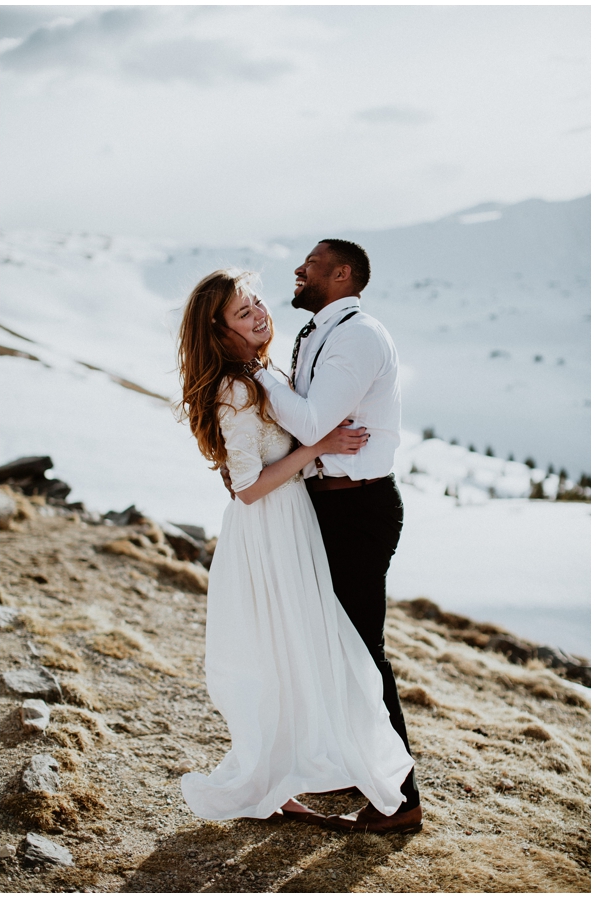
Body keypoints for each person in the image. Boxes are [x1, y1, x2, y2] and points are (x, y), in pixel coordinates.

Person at [175, 268, 414, 826]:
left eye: (256, 301)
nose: (259, 313)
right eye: (242, 312)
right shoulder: (236, 387)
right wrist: (320, 445)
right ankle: (275, 779)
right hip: (269, 528)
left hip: (292, 521)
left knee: (294, 653)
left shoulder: (258, 372)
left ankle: (292, 775)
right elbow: (247, 487)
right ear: (217, 330)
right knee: (280, 654)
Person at [249, 239, 422, 834]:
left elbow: (315, 422)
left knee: (361, 655)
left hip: (357, 509)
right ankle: (356, 770)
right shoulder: (320, 332)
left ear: (342, 274)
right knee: (330, 647)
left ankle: (402, 800)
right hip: (326, 507)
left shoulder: (358, 335)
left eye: (312, 264)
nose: (298, 270)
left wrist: (261, 378)